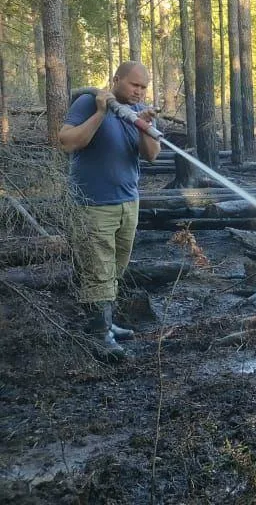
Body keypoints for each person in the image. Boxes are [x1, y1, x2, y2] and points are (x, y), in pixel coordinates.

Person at [58, 61, 161, 358]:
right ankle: (100, 336)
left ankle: (105, 323)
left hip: (128, 203)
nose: (139, 91)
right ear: (117, 79)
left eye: (143, 87)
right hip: (93, 204)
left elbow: (152, 155)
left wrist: (143, 125)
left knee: (115, 267)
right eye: (133, 85)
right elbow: (67, 142)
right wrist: (102, 112)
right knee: (98, 271)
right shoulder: (90, 103)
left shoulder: (137, 113)